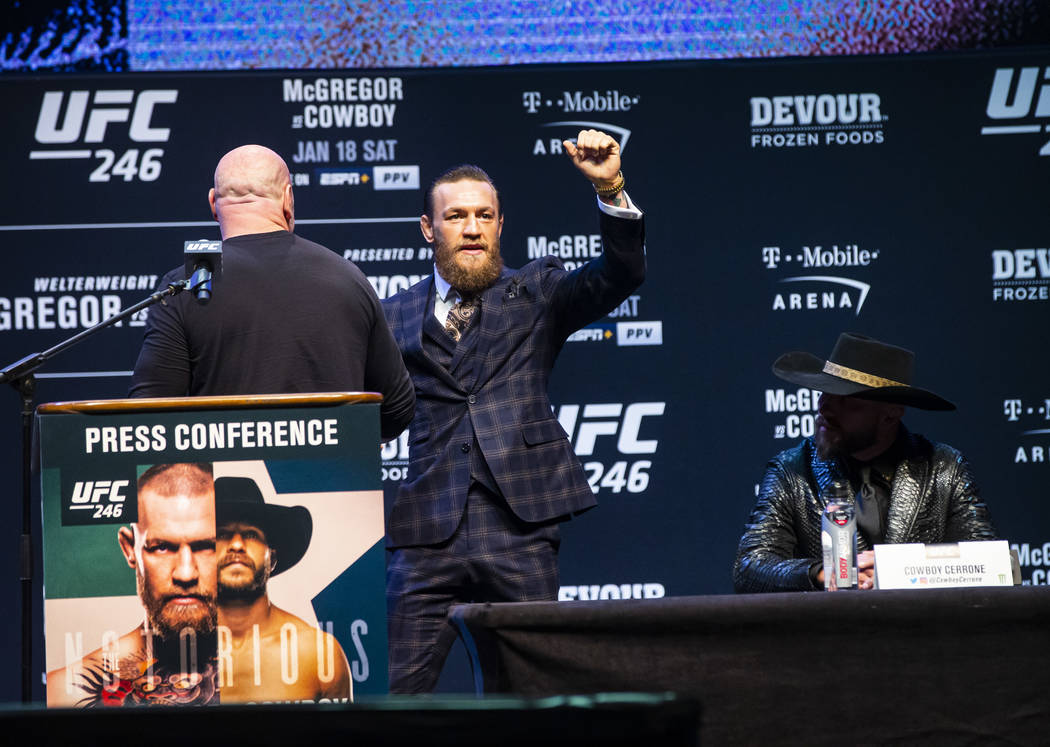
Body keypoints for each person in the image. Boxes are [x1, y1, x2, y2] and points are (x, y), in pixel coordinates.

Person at [382, 129, 646, 692]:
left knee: (531, 698)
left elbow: (619, 275)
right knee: (393, 694)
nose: (472, 229)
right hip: (427, 532)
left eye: (484, 215)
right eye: (455, 217)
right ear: (429, 229)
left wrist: (610, 189)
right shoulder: (392, 315)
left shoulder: (539, 291)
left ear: (501, 224)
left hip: (520, 529)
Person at [128, 144, 414, 442]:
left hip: (232, 484)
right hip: (338, 482)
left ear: (213, 203)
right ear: (288, 198)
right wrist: (346, 445)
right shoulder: (348, 277)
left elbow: (149, 418)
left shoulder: (188, 284)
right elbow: (397, 407)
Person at [733, 332, 999, 593]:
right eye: (825, 392)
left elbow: (990, 564)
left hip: (921, 633)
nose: (825, 408)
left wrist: (895, 568)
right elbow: (749, 567)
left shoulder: (945, 468)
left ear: (890, 414)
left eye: (847, 400)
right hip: (832, 634)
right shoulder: (791, 471)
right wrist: (820, 573)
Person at [47, 462, 220, 707]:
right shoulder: (67, 692)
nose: (185, 573)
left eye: (206, 547)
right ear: (130, 549)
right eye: (162, 547)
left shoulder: (277, 667)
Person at [213, 476, 351, 702]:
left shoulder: (318, 654)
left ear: (273, 557)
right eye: (222, 534)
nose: (236, 545)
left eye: (250, 534)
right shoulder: (167, 655)